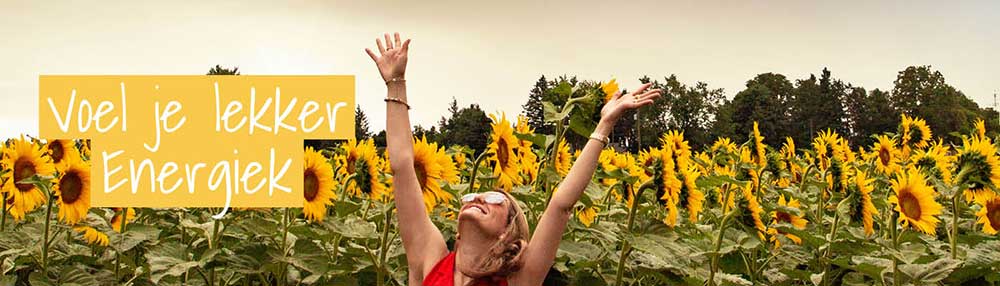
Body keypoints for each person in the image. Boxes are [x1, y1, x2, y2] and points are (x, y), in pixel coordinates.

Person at [366, 32, 661, 286]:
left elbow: (560, 205)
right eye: (473, 197)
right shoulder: (429, 259)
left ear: (508, 234)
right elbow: (402, 167)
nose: (477, 197)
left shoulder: (518, 280)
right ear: (457, 231)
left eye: (495, 199)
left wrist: (604, 125)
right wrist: (396, 82)